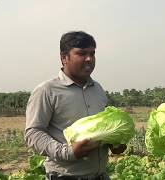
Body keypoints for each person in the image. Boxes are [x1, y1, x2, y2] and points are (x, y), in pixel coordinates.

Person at [25, 31, 126, 180]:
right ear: (64, 58)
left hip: (101, 175)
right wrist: (69, 152)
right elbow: (33, 133)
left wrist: (114, 142)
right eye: (82, 53)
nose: (89, 59)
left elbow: (101, 128)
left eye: (92, 54)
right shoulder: (47, 91)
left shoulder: (98, 89)